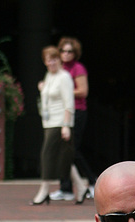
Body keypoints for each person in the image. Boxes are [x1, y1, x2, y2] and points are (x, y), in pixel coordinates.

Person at [31, 46, 88, 206]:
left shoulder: (64, 77)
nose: (52, 62)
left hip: (59, 122)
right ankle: (81, 186)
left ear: (59, 60)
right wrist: (42, 88)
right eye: (48, 59)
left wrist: (65, 125)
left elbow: (69, 102)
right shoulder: (49, 76)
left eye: (55, 59)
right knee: (64, 158)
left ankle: (44, 190)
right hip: (49, 122)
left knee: (47, 155)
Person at [49, 37, 97, 203]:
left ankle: (92, 182)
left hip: (77, 111)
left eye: (69, 51)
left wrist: (64, 91)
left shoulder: (77, 68)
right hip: (61, 112)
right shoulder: (58, 69)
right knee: (64, 151)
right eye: (63, 51)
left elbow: (83, 91)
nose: (65, 54)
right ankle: (66, 188)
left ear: (75, 53)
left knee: (72, 150)